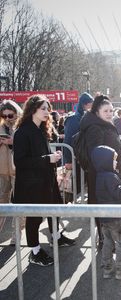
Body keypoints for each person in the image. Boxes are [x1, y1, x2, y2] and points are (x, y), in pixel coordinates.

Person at [13, 94, 75, 267]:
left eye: (48, 108)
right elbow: (20, 161)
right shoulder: (22, 132)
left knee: (54, 208)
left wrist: (53, 158)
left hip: (47, 181)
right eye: (43, 108)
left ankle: (56, 237)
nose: (47, 112)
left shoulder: (41, 129)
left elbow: (43, 156)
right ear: (33, 109)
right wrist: (47, 158)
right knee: (34, 218)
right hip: (31, 184)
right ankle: (34, 251)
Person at [80, 95, 121, 248]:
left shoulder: (105, 124)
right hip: (101, 175)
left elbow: (109, 140)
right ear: (97, 112)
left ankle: (108, 240)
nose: (109, 113)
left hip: (110, 172)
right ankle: (104, 240)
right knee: (103, 206)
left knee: (111, 206)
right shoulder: (95, 127)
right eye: (106, 111)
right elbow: (97, 152)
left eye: (111, 110)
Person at [91, 145, 121, 279]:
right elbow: (119, 192)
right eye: (114, 160)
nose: (116, 162)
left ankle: (107, 268)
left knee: (108, 242)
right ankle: (120, 270)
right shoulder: (110, 175)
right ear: (104, 161)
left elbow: (113, 189)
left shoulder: (100, 176)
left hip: (105, 218)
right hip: (116, 217)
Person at [0, 100, 25, 242]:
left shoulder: (22, 126)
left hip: (18, 171)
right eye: (4, 116)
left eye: (10, 115)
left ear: (16, 113)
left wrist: (13, 142)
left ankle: (17, 234)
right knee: (1, 202)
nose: (7, 119)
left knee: (19, 203)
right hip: (2, 171)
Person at [63, 92, 94, 196]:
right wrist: (68, 160)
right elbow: (68, 140)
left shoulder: (87, 117)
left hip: (84, 159)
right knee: (76, 188)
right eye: (91, 103)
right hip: (75, 159)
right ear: (85, 104)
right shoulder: (74, 119)